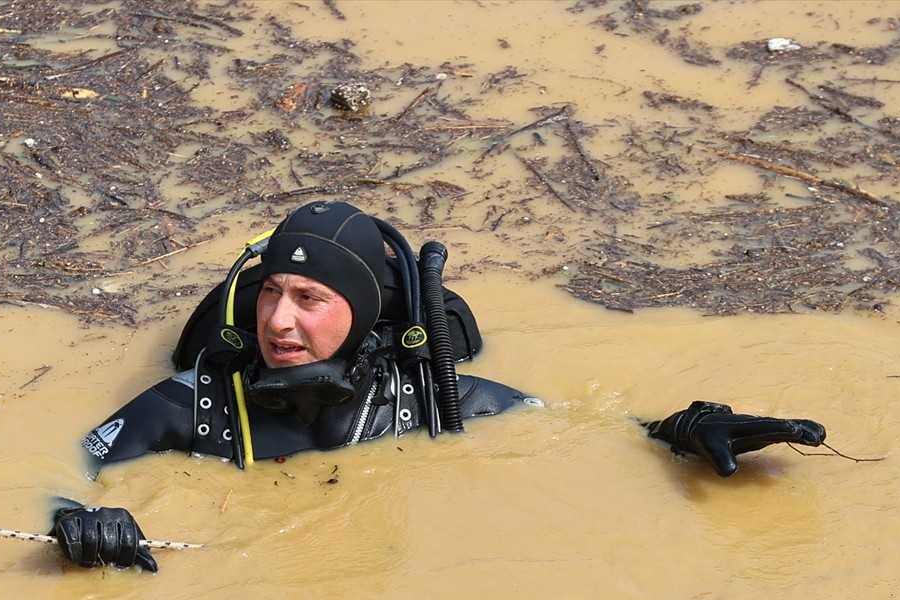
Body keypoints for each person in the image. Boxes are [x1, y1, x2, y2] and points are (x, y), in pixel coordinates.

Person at [52, 201, 826, 571]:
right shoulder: (190, 409)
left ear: (358, 316)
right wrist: (80, 520)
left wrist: (683, 433)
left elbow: (582, 428)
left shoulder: (434, 401)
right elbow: (56, 474)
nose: (279, 321)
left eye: (309, 299)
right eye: (269, 293)